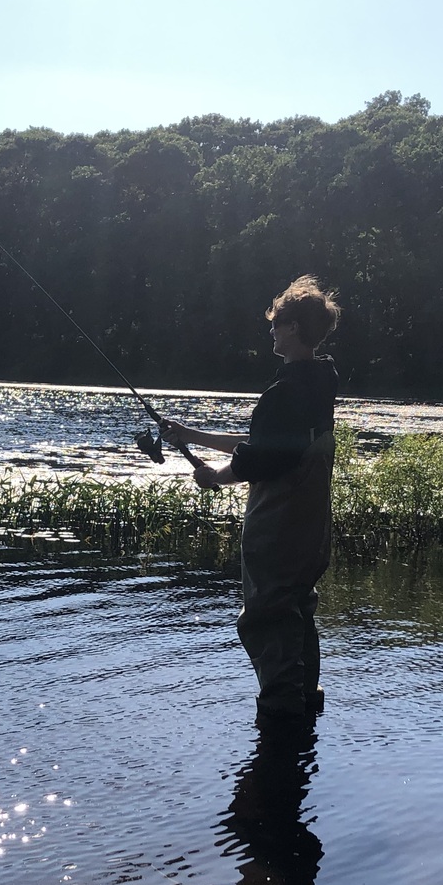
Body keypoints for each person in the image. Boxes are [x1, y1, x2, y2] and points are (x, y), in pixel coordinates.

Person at [161, 275, 341, 730]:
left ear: (295, 328)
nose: (272, 332)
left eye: (278, 324)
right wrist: (190, 436)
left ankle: (280, 726)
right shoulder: (319, 383)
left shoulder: (285, 392)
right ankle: (303, 708)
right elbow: (266, 444)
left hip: (279, 531)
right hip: (311, 529)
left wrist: (214, 478)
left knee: (266, 616)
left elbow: (259, 457)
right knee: (298, 609)